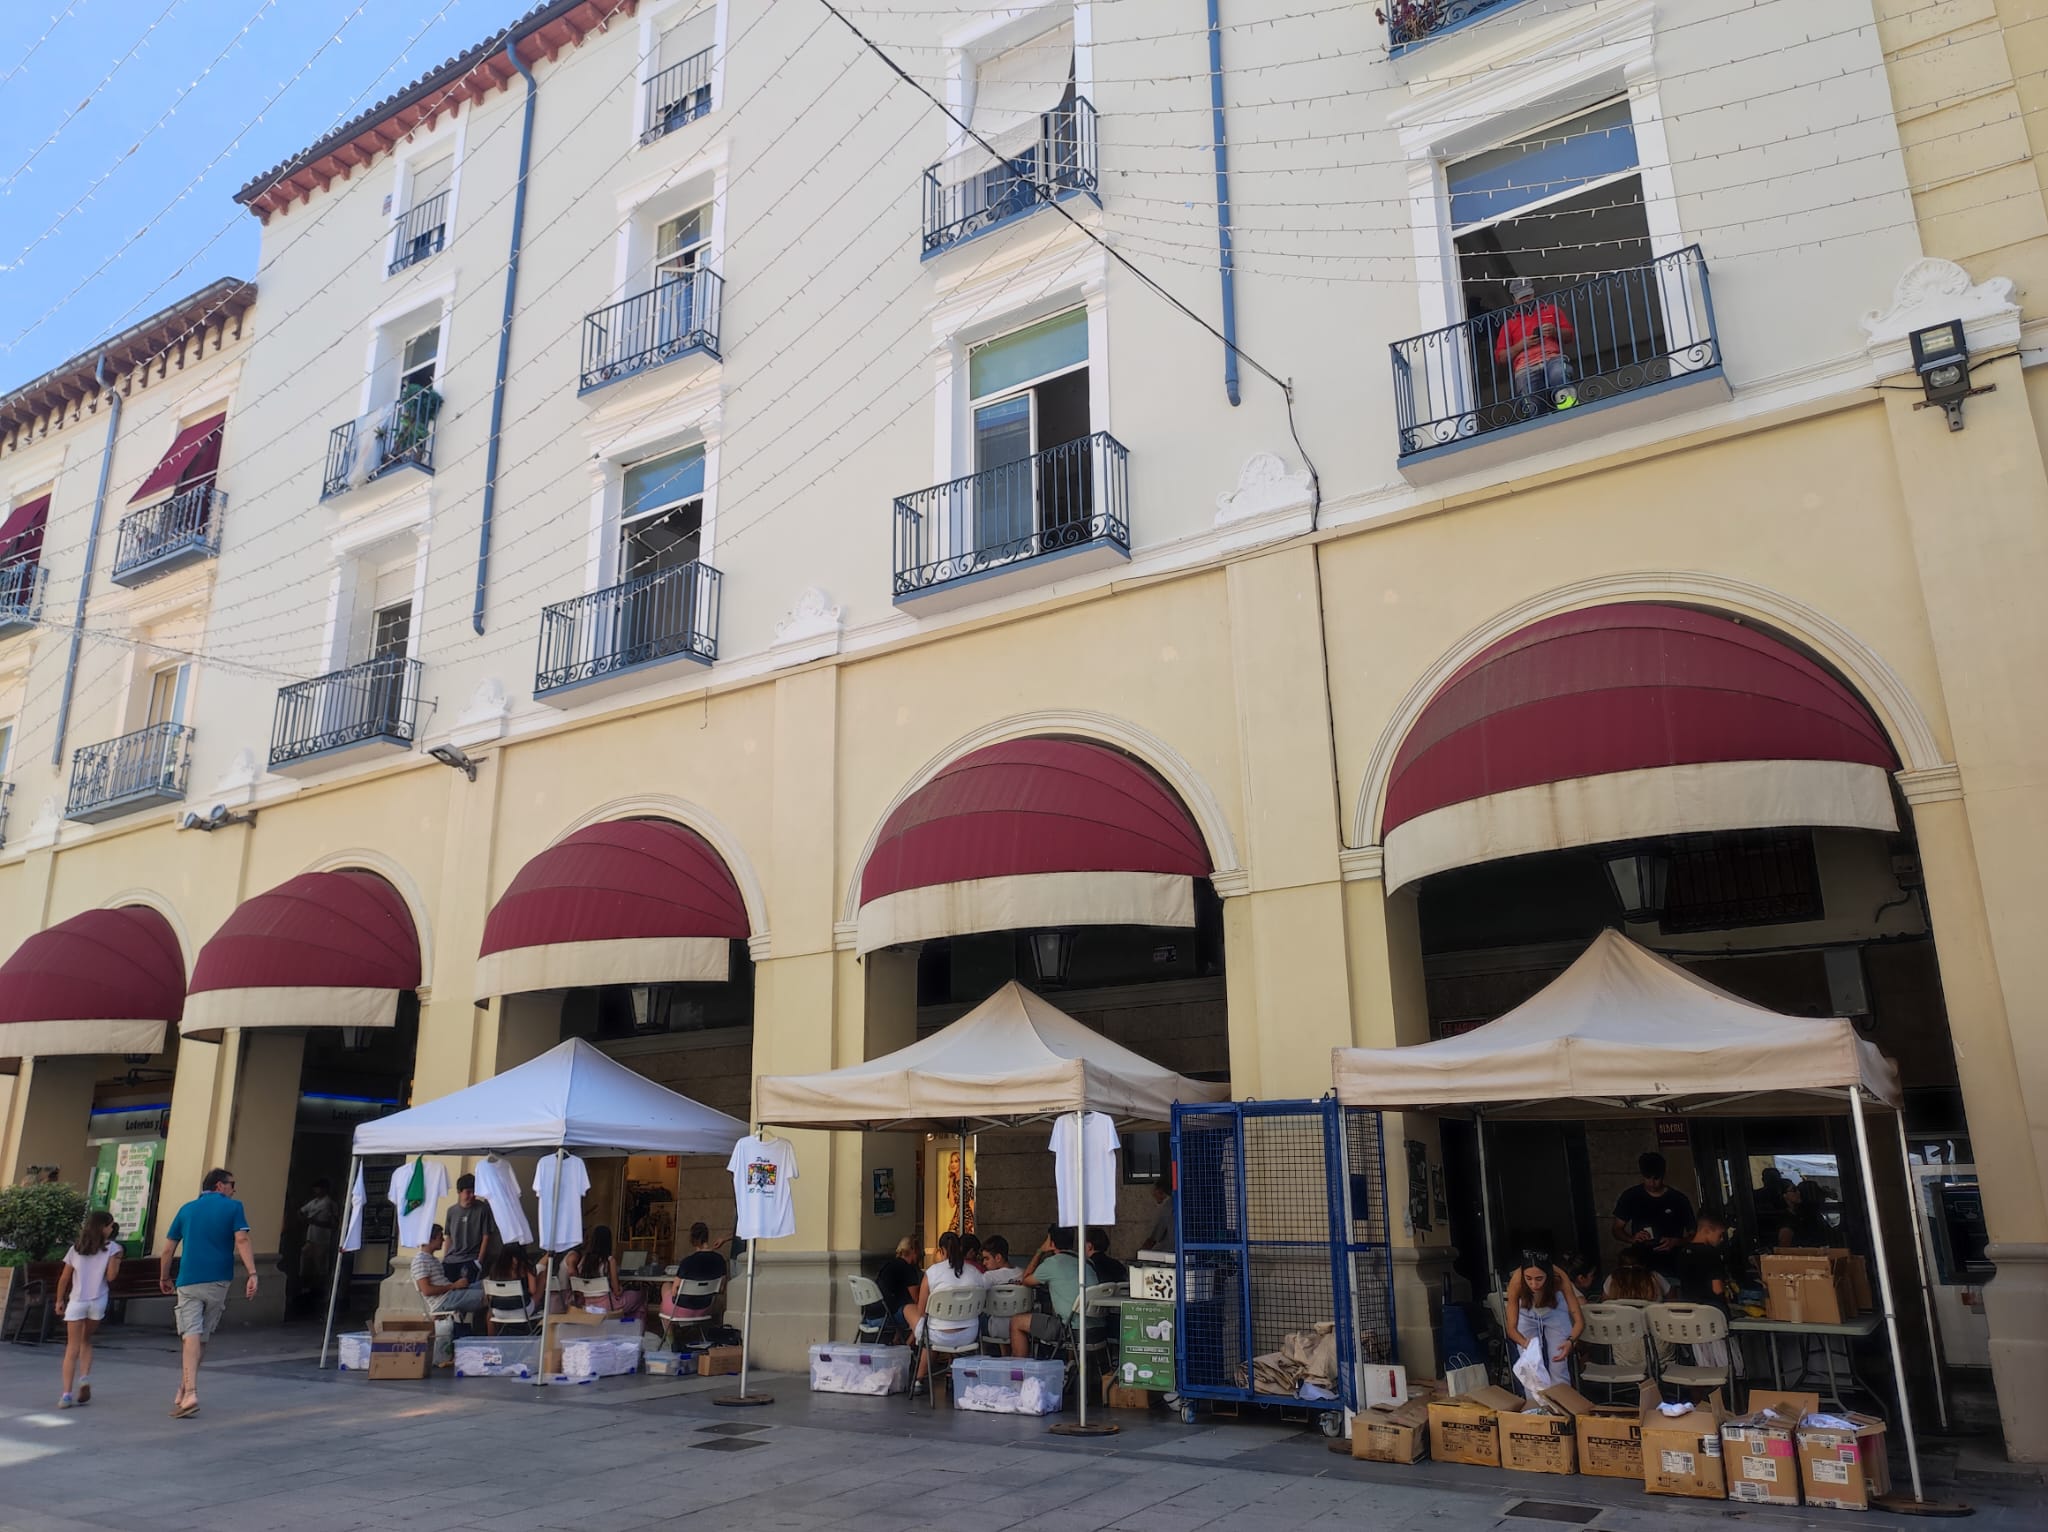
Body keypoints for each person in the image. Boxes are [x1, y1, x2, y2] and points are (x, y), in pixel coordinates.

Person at [157, 1167, 257, 1420]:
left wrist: (164, 1276)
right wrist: (252, 1273)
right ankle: (185, 1389)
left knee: (191, 1334)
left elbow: (168, 1249)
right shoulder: (234, 1208)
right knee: (202, 1338)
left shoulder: (187, 1209)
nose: (234, 1189)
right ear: (219, 1186)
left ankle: (188, 1390)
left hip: (188, 1279)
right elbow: (242, 1240)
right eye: (232, 1184)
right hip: (218, 1280)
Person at [901, 1230, 988, 1392]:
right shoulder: (975, 1273)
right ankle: (953, 1375)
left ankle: (918, 1379)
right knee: (933, 1329)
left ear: (941, 1251)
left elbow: (921, 1311)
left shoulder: (932, 1272)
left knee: (910, 1310)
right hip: (969, 1334)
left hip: (938, 1335)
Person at [55, 1210, 121, 1408]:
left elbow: (65, 1278)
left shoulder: (76, 1249)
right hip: (98, 1300)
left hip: (77, 1301)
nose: (111, 1229)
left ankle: (66, 1395)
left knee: (71, 1348)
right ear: (102, 1227)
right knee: (86, 1340)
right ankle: (83, 1378)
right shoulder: (113, 1249)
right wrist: (116, 1260)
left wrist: (59, 1299)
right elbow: (110, 1277)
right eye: (110, 1226)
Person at [1010, 1226, 1098, 1359]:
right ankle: (1071, 1366)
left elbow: (1026, 1279)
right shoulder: (1087, 1262)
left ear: (1050, 1243)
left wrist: (1040, 1251)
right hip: (1096, 1327)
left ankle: (1019, 1371)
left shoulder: (1052, 1263)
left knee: (1017, 1322)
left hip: (1070, 1329)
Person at [1494, 276, 1577, 409]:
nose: (1526, 300)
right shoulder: (1508, 325)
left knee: (1558, 374)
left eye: (1528, 295)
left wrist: (1554, 331)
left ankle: (1570, 410)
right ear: (1514, 300)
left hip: (1552, 358)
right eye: (1522, 298)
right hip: (1525, 366)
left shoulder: (1551, 310)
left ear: (1533, 293)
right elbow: (1501, 357)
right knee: (1532, 401)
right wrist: (1521, 345)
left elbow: (1570, 335)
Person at [1504, 1249, 1584, 1384]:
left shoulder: (1560, 1278)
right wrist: (1525, 1344)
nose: (1534, 1284)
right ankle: (1534, 1403)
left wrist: (1570, 1341)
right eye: (1528, 1278)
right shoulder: (1517, 1281)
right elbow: (1511, 1328)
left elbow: (1579, 1321)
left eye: (1539, 1279)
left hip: (1554, 1309)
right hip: (1526, 1312)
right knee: (1531, 1365)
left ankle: (1561, 1401)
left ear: (1549, 1275)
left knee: (1558, 1361)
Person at [1611, 1152, 1695, 1278]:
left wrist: (1677, 1242)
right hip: (1641, 1264)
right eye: (1647, 1178)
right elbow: (1617, 1229)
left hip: (1671, 1264)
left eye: (1656, 1179)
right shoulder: (1631, 1196)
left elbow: (1693, 1234)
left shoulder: (1678, 1199)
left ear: (1663, 1176)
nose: (1652, 1183)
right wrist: (1632, 1238)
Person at [564, 1225, 643, 1319]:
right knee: (641, 1296)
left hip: (588, 1305)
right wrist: (622, 1288)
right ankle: (633, 1328)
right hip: (609, 1305)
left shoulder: (584, 1260)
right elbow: (617, 1292)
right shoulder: (609, 1260)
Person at [659, 1222, 730, 1323]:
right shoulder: (720, 1260)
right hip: (705, 1308)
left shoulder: (687, 1262)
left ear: (692, 1240)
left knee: (666, 1286)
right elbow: (722, 1289)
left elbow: (675, 1291)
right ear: (707, 1237)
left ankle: (670, 1336)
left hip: (682, 1308)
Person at [413, 1225, 486, 1320]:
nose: (443, 1240)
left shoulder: (432, 1259)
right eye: (440, 1237)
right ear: (430, 1240)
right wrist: (454, 1286)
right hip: (443, 1300)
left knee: (487, 1285)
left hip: (451, 1294)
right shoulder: (420, 1261)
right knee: (488, 1296)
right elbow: (427, 1290)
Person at [442, 1173, 500, 1286]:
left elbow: (486, 1236)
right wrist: (445, 1257)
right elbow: (449, 1236)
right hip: (451, 1260)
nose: (472, 1195)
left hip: (471, 1259)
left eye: (474, 1192)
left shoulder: (482, 1209)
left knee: (468, 1289)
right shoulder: (451, 1211)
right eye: (468, 1192)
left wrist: (479, 1261)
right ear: (459, 1192)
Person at [1674, 1208, 1731, 1312]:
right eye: (1720, 1235)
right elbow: (1717, 1288)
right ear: (1707, 1231)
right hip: (1711, 1310)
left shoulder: (1683, 1252)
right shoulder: (1712, 1253)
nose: (1722, 1239)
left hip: (1689, 1309)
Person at [298, 1178, 340, 1293]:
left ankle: (321, 1289)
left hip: (323, 1239)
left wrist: (316, 1222)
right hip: (310, 1238)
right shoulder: (314, 1202)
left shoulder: (330, 1204)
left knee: (320, 1265)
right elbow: (302, 1211)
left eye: (319, 1188)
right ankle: (305, 1286)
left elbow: (334, 1224)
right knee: (306, 1262)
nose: (317, 1191)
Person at [875, 1236, 922, 1335]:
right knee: (922, 1313)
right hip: (887, 1318)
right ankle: (909, 1346)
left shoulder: (888, 1265)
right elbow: (917, 1299)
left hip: (871, 1317)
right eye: (919, 1251)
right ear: (913, 1250)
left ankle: (902, 1342)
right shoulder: (908, 1268)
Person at [1602, 1244, 1668, 1301]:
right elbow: (1672, 1298)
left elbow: (1605, 1303)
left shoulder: (1612, 1278)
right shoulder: (1655, 1276)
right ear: (1644, 1264)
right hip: (1651, 1315)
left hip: (1620, 1315)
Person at [1142, 1182, 1175, 1254]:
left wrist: (1143, 1250)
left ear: (1160, 1192)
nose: (1154, 1197)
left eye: (1154, 1194)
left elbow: (1159, 1232)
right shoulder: (1172, 1202)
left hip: (1172, 1247)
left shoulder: (1168, 1205)